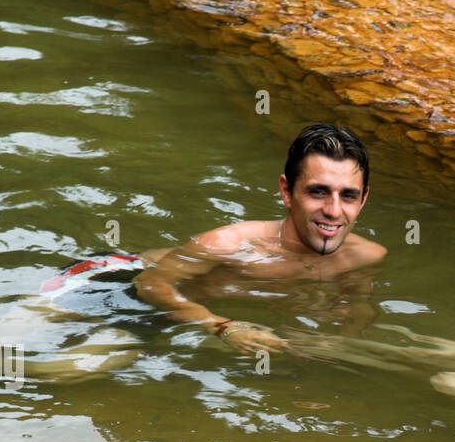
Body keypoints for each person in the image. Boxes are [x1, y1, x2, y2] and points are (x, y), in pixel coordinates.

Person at [132, 122, 386, 356]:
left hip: (198, 328)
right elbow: (150, 285)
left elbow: (356, 316)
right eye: (318, 192)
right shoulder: (229, 245)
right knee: (96, 367)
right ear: (287, 192)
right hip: (131, 295)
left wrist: (334, 344)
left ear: (363, 200)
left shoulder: (366, 257)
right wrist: (222, 327)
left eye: (348, 196)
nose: (333, 210)